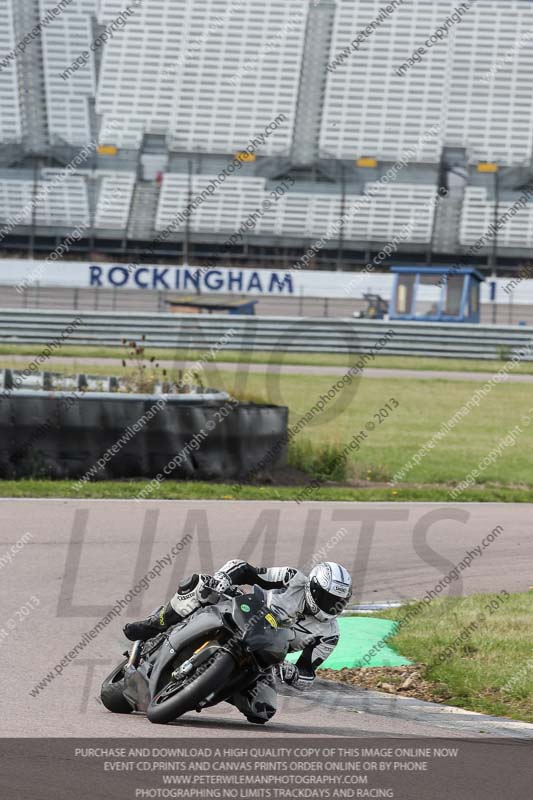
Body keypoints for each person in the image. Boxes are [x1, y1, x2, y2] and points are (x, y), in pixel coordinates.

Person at [124, 559, 353, 724]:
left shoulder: (329, 634)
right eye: (328, 598)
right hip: (242, 614)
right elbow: (246, 570)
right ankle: (155, 624)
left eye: (339, 602)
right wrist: (223, 579)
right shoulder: (293, 579)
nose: (332, 605)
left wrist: (293, 673)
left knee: (263, 710)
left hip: (264, 657)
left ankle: (210, 688)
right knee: (201, 584)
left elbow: (308, 672)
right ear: (313, 588)